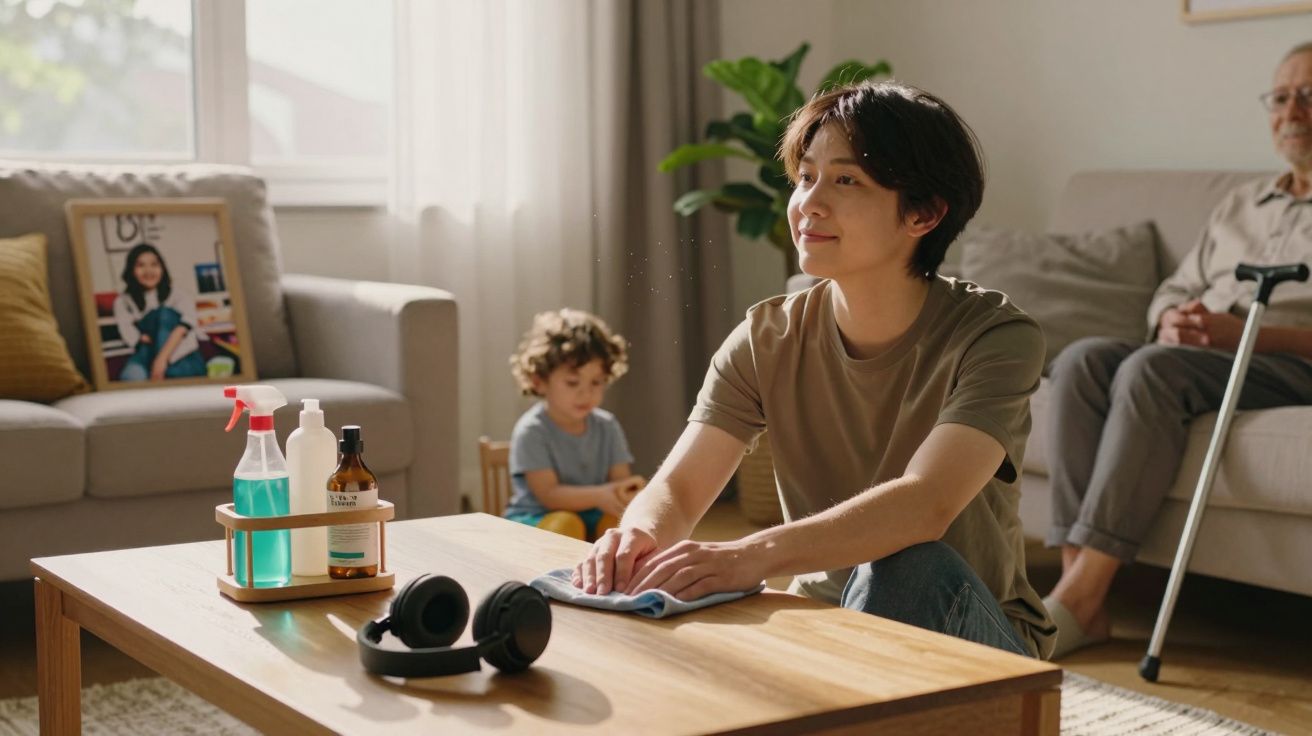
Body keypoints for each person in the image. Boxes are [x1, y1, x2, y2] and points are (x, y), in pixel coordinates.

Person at [574, 80, 1057, 659]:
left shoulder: (997, 337)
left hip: (978, 641)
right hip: (828, 627)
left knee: (908, 566)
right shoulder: (766, 337)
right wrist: (636, 537)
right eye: (805, 177)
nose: (809, 203)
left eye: (846, 180)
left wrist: (746, 556)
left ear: (924, 214)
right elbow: (679, 487)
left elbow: (926, 502)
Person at [1042, 42, 1312, 659]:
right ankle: (1076, 591)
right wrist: (1173, 320)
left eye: (1310, 94)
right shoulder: (1241, 203)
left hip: (1290, 366)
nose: (1292, 109)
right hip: (1201, 354)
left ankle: (1078, 601)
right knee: (1083, 360)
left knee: (1151, 371)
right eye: (1281, 96)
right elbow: (1175, 288)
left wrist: (1240, 335)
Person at [505, 308, 647, 542]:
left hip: (590, 515)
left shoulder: (608, 426)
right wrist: (601, 495)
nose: (586, 393)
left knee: (622, 524)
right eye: (573, 383)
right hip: (537, 518)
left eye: (596, 382)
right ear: (539, 381)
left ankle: (616, 577)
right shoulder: (532, 431)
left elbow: (620, 482)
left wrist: (628, 492)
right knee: (566, 524)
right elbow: (549, 495)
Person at [112, 244, 207, 382]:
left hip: (180, 352)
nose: (148, 271)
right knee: (131, 377)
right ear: (131, 270)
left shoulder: (180, 295)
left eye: (154, 264)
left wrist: (161, 360)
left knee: (164, 313)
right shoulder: (122, 301)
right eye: (141, 265)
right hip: (146, 352)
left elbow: (185, 326)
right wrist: (141, 339)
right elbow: (126, 328)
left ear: (162, 268)